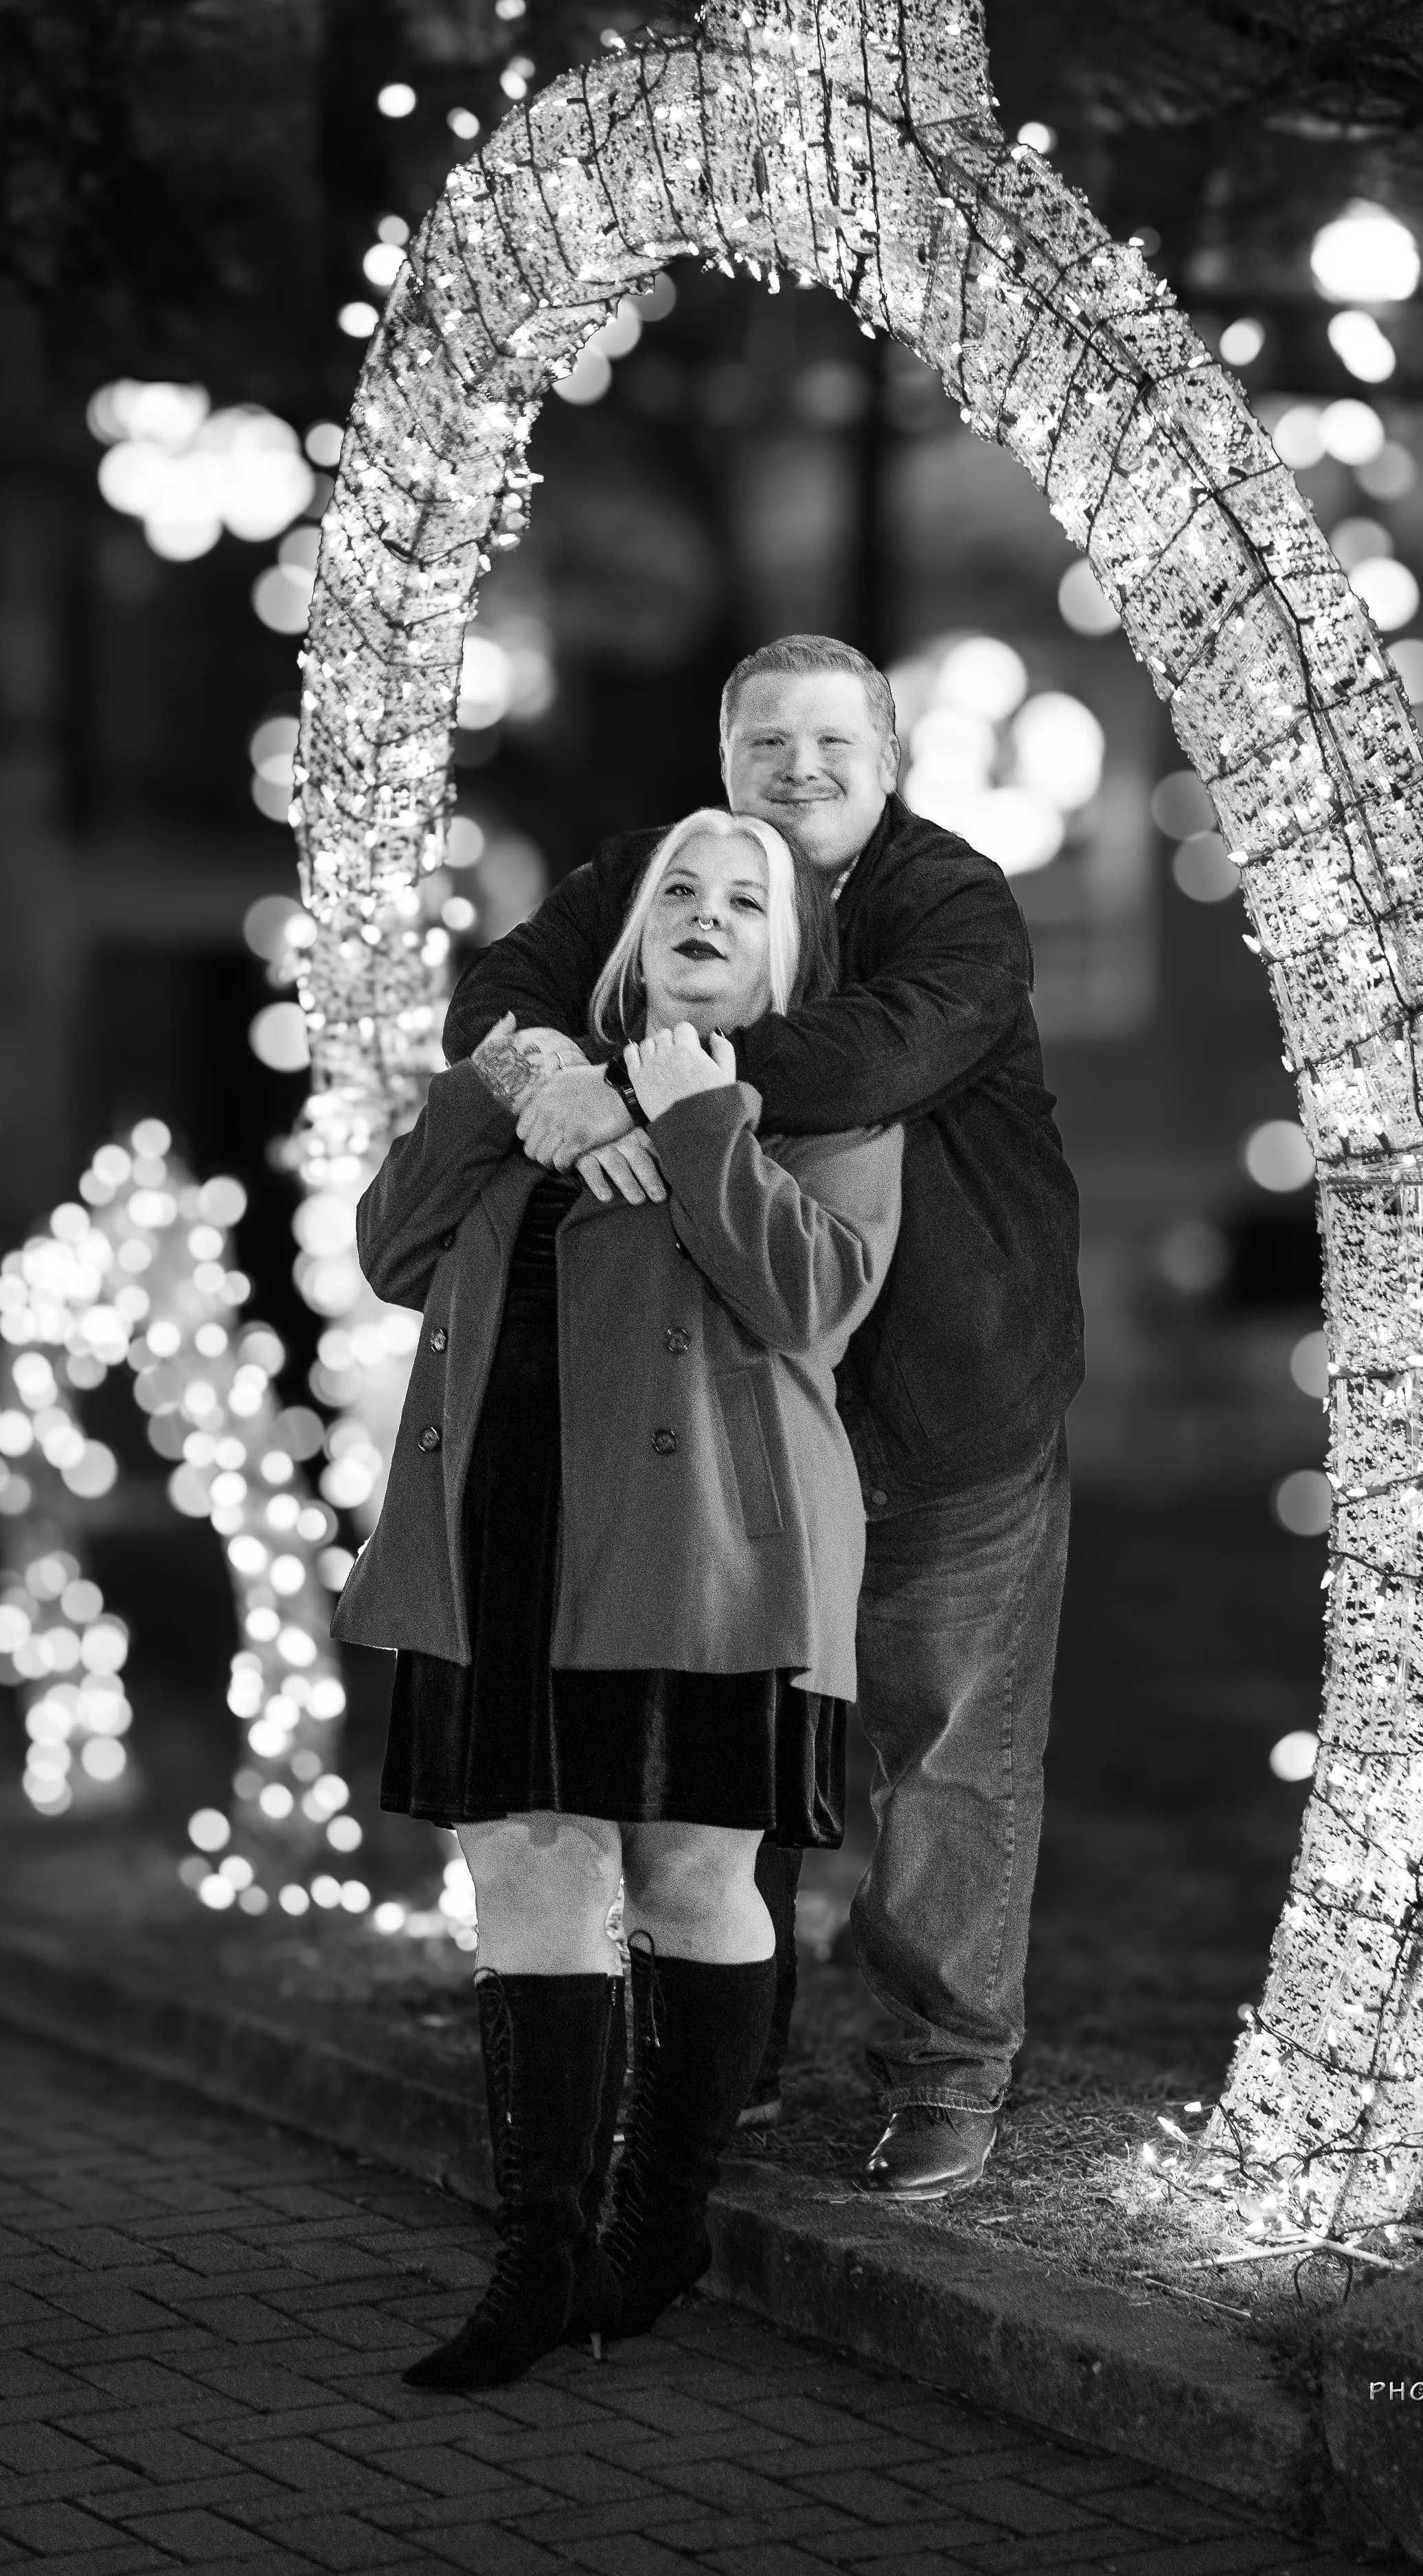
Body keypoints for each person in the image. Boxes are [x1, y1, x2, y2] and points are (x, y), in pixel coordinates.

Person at [440, 635, 1083, 2204]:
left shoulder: (949, 902)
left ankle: (944, 2073)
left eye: (829, 745)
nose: (796, 773)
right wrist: (546, 1066)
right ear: (726, 758)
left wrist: (658, 1076)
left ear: (886, 758)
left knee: (942, 1758)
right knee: (737, 1756)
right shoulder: (663, 874)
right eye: (764, 745)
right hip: (733, 1424)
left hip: (942, 1401)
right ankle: (731, 2067)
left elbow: (888, 1046)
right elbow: (499, 988)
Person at [334, 806, 902, 2389]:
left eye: (743, 901)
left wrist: (702, 1121)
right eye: (678, 895)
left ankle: (659, 2222)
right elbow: (392, 1250)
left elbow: (809, 1301)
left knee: (688, 1881)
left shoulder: (823, 1106)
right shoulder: (551, 1081)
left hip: (709, 1541)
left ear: (782, 953)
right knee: (524, 1871)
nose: (704, 918)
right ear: (634, 929)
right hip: (503, 1526)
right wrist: (515, 1084)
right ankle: (537, 2258)